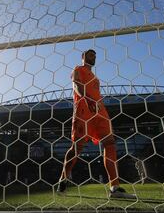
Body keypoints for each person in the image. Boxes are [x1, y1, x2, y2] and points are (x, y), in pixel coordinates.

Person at [57, 49, 136, 199]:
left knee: (110, 143)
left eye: (94, 55)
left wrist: (97, 103)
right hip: (83, 110)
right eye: (90, 54)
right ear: (83, 57)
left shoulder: (95, 78)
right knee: (76, 148)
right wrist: (87, 99)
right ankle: (63, 178)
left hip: (100, 112)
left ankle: (115, 187)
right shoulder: (78, 69)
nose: (93, 57)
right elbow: (76, 86)